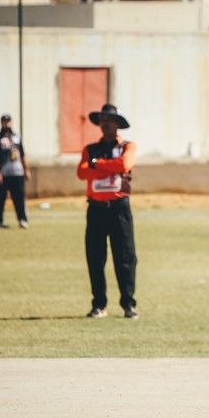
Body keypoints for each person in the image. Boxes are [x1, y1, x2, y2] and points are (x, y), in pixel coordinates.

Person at [75, 104, 138, 319]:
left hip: (119, 208)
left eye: (109, 120)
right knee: (95, 258)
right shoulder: (90, 149)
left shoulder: (128, 146)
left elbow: (124, 165)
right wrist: (106, 167)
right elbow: (82, 172)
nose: (105, 124)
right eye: (102, 120)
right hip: (96, 209)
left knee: (125, 258)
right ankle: (99, 304)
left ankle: (128, 304)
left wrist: (98, 165)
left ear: (118, 124)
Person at [0, 113, 30, 229]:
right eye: (4, 122)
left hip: (17, 173)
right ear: (1, 123)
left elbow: (22, 155)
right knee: (0, 199)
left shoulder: (16, 138)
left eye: (8, 122)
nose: (7, 124)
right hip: (4, 173)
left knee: (19, 198)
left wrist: (26, 169)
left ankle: (22, 219)